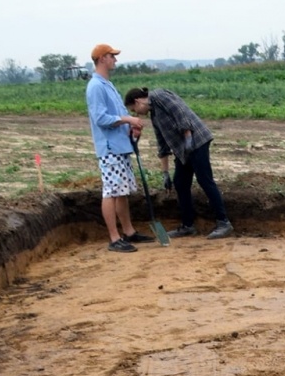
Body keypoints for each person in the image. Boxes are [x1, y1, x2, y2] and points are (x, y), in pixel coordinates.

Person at [122, 86, 233, 239]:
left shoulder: (158, 96)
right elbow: (162, 144)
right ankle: (188, 225)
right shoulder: (154, 115)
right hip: (183, 150)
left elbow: (180, 111)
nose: (136, 114)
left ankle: (223, 222)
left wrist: (188, 137)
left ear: (137, 101)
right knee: (180, 183)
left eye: (134, 110)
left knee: (205, 180)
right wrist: (165, 173)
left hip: (197, 141)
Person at [85, 44, 150, 253]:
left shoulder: (107, 85)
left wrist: (130, 128)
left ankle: (129, 232)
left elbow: (116, 115)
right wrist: (128, 119)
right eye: (112, 56)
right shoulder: (96, 86)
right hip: (109, 148)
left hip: (120, 146)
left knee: (122, 191)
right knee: (111, 191)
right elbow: (101, 118)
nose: (115, 60)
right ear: (102, 58)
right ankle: (114, 238)